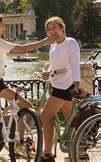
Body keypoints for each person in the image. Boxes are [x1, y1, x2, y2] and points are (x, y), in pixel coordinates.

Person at [0, 13, 55, 162]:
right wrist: (44, 42)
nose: (4, 27)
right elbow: (22, 49)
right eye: (2, 25)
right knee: (25, 106)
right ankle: (19, 143)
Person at [39, 17, 83, 162]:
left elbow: (75, 65)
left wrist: (76, 85)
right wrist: (48, 72)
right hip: (56, 85)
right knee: (71, 120)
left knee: (45, 116)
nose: (52, 31)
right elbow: (56, 66)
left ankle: (47, 154)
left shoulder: (70, 43)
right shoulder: (53, 46)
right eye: (49, 29)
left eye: (54, 27)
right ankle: (80, 152)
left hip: (66, 87)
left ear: (62, 28)